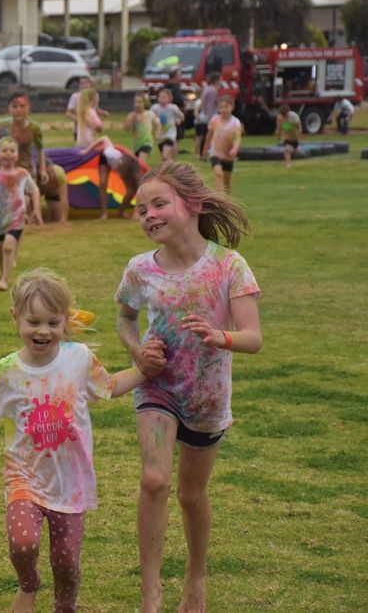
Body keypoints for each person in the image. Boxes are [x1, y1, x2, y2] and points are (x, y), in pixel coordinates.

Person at [0, 268, 166, 613]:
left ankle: (64, 606)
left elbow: (110, 386)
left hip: (71, 482)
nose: (43, 331)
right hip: (25, 477)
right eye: (34, 322)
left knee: (66, 563)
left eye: (53, 323)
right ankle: (29, 585)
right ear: (16, 318)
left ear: (64, 321)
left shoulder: (79, 359)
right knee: (22, 544)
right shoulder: (6, 372)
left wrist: (145, 370)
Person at [115, 162, 262, 613]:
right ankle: (151, 593)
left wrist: (220, 337)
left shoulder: (229, 266)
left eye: (159, 204)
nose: (149, 215)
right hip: (157, 389)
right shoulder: (140, 269)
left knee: (191, 494)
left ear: (193, 205)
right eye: (142, 210)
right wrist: (138, 352)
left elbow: (253, 338)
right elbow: (125, 319)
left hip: (207, 398)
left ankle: (196, 581)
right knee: (154, 479)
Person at [0, 91, 70, 224]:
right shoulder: (1, 126)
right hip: (10, 171)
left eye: (22, 106)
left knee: (53, 179)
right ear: (9, 109)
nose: (18, 110)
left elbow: (40, 148)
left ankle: (63, 219)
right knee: (23, 211)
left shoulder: (34, 127)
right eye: (14, 106)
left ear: (28, 107)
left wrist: (43, 169)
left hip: (30, 170)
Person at [0, 137, 42, 291]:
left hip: (17, 217)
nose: (8, 154)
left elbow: (34, 190)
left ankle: (4, 281)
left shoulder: (22, 174)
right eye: (4, 151)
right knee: (1, 249)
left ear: (17, 154)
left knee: (8, 247)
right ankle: (3, 274)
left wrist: (36, 209)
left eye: (12, 150)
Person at [80, 136, 144, 219]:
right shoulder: (110, 153)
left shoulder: (132, 169)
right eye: (119, 169)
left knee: (130, 190)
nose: (118, 171)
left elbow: (140, 189)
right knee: (103, 183)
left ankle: (121, 211)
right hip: (105, 160)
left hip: (125, 166)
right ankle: (104, 213)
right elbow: (104, 138)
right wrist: (87, 150)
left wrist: (136, 213)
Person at [203, 95, 243, 193]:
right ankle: (219, 198)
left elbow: (237, 138)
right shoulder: (215, 120)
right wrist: (206, 147)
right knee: (218, 173)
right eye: (221, 107)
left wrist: (235, 149)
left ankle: (226, 201)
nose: (223, 109)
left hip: (228, 154)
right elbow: (209, 135)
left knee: (227, 181)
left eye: (226, 106)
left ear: (232, 107)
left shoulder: (235, 122)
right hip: (215, 152)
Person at [65, 75, 109, 141]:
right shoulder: (75, 96)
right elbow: (68, 113)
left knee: (92, 142)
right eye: (82, 83)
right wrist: (79, 119)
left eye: (87, 83)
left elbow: (96, 109)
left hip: (92, 125)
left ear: (90, 84)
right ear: (79, 85)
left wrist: (103, 112)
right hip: (80, 127)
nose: (85, 85)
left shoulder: (95, 95)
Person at [125, 93, 160, 166]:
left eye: (140, 102)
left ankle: (145, 176)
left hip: (147, 142)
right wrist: (131, 120)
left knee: (141, 161)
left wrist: (157, 133)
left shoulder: (149, 114)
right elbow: (126, 128)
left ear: (144, 103)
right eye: (136, 102)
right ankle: (145, 174)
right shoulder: (131, 115)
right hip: (137, 144)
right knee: (137, 165)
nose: (137, 104)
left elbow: (158, 123)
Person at [151, 88, 184, 162]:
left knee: (164, 156)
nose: (161, 99)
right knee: (165, 157)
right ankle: (170, 168)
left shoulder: (173, 108)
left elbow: (182, 116)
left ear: (169, 98)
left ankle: (163, 170)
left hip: (170, 135)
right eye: (159, 97)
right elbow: (151, 118)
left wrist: (178, 120)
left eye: (164, 97)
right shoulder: (155, 108)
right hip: (160, 136)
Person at [194, 73, 220, 158]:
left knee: (204, 135)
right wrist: (211, 118)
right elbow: (210, 105)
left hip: (204, 115)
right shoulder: (213, 90)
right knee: (208, 135)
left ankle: (203, 152)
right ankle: (205, 153)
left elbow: (203, 102)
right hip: (209, 115)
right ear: (217, 80)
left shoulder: (207, 88)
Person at [275, 104, 302, 169]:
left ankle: (295, 150)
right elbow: (279, 127)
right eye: (282, 115)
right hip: (286, 137)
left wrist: (300, 132)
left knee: (297, 151)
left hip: (294, 136)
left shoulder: (294, 116)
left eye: (285, 115)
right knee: (286, 150)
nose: (284, 116)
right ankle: (288, 165)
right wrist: (278, 135)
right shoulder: (279, 117)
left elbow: (299, 125)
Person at [167, 68, 186, 141]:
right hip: (175, 117)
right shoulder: (175, 88)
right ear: (175, 77)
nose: (181, 78)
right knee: (176, 138)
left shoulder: (165, 87)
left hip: (166, 116)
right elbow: (180, 101)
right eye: (180, 76)